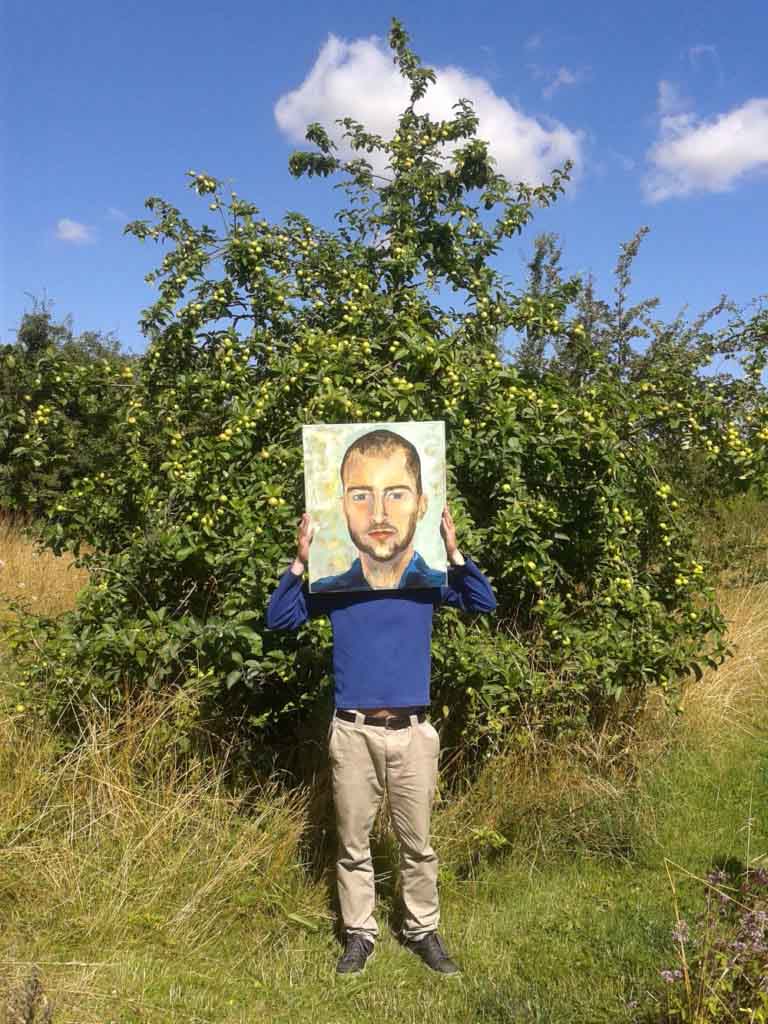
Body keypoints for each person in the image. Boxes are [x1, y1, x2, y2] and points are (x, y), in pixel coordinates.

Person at [266, 504, 497, 976]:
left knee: (418, 843)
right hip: (354, 732)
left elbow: (483, 602)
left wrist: (454, 553)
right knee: (353, 842)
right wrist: (301, 561)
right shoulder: (340, 585)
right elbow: (279, 618)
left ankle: (422, 930)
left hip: (413, 734)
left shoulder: (423, 581)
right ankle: (360, 934)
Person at [311, 428, 445, 592]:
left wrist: (456, 558)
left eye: (396, 495)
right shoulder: (324, 591)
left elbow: (475, 599)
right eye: (361, 497)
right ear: (343, 508)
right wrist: (297, 567)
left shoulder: (440, 585)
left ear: (421, 505)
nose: (378, 516)